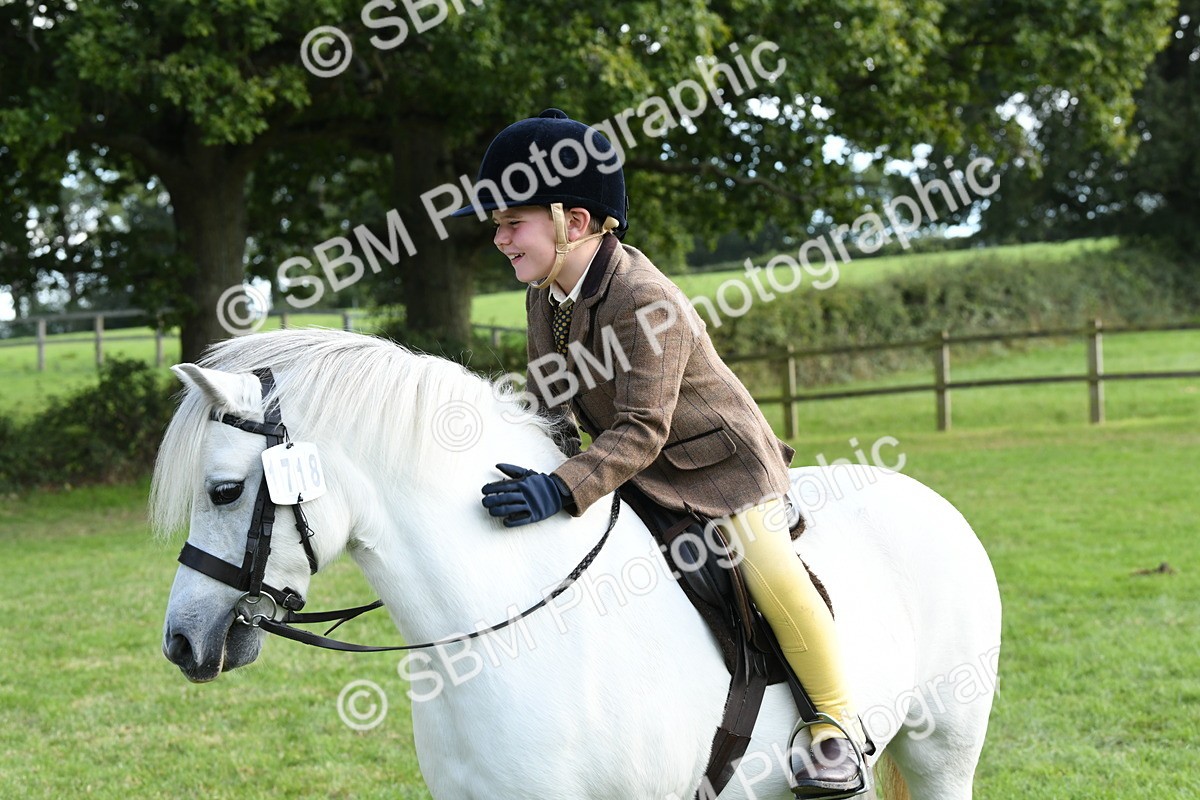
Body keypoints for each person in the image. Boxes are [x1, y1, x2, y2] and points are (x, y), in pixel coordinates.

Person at [457, 108, 866, 798]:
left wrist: (562, 488)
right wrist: (528, 460)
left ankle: (835, 729)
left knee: (768, 571)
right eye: (497, 224)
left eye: (511, 223)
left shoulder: (647, 299)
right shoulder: (545, 296)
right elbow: (551, 407)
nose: (498, 238)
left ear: (573, 222)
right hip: (637, 472)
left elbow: (644, 428)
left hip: (721, 471)